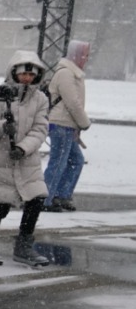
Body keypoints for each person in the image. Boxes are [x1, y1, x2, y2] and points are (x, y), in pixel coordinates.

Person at [0, 51, 51, 267]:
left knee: (35, 200)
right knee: (1, 204)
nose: (27, 78)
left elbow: (40, 129)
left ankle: (24, 245)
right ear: (13, 72)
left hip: (26, 162)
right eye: (23, 74)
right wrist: (1, 127)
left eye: (31, 75)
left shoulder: (40, 99)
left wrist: (24, 148)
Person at [42, 39, 91, 212]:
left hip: (68, 125)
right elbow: (72, 102)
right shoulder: (66, 73)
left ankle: (61, 195)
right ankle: (45, 199)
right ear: (75, 55)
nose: (86, 58)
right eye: (84, 54)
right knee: (59, 162)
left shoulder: (74, 73)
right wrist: (84, 122)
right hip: (60, 124)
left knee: (75, 160)